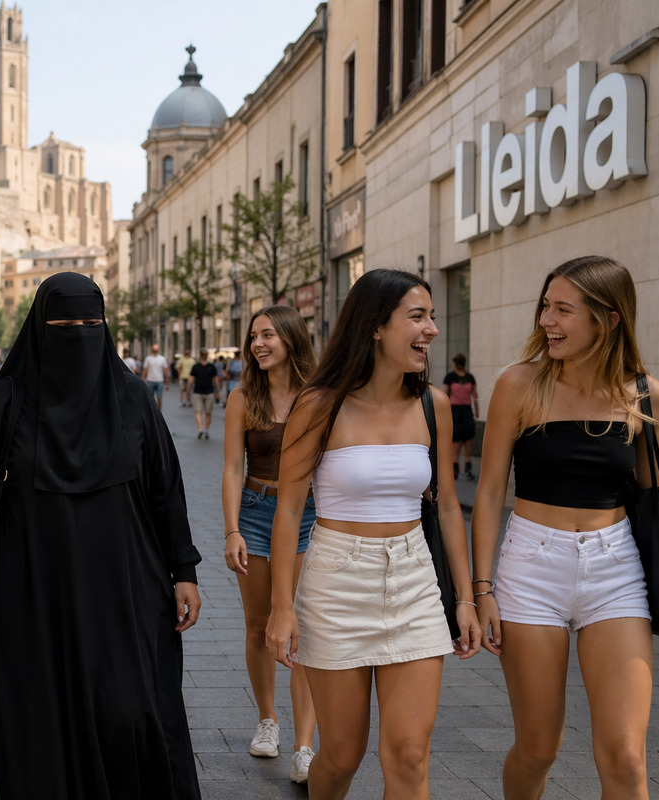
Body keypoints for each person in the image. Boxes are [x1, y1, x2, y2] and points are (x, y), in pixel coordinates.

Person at [0, 272, 203, 798]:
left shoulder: (129, 396)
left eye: (90, 324)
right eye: (64, 325)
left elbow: (166, 489)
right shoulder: (8, 401)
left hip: (125, 583)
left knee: (132, 708)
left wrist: (184, 571)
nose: (79, 335)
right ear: (41, 328)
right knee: (41, 713)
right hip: (31, 585)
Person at [266, 268, 480, 799]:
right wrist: (281, 607)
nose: (431, 329)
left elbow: (449, 507)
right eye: (417, 316)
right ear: (375, 327)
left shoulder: (433, 405)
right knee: (340, 757)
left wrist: (469, 598)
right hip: (337, 582)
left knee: (409, 755)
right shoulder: (318, 406)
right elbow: (289, 511)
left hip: (413, 578)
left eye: (432, 316)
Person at [472, 256, 659, 800]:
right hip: (532, 566)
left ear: (608, 320)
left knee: (627, 759)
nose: (546, 321)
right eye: (544, 306)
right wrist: (481, 589)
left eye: (562, 310)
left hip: (616, 568)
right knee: (538, 748)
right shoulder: (519, 384)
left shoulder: (646, 395)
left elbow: (657, 500)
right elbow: (488, 494)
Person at [222, 307, 319, 779]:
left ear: (291, 339)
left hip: (309, 517)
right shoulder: (243, 398)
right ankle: (267, 720)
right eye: (254, 337)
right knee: (260, 622)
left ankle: (305, 745)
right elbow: (230, 469)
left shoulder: (320, 396)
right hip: (257, 514)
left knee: (303, 627)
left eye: (268, 335)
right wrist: (232, 530)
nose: (259, 344)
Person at [443, 353, 479, 480]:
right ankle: (456, 465)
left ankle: (466, 464)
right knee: (456, 439)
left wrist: (477, 412)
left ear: (456, 363)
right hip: (454, 410)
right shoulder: (450, 377)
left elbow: (475, 396)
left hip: (466, 410)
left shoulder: (470, 377)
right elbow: (444, 396)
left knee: (468, 437)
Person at [189, 348, 219, 439]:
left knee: (204, 412)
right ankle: (202, 430)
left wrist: (217, 391)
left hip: (207, 392)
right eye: (203, 354)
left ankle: (203, 429)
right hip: (200, 392)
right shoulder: (197, 366)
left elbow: (215, 379)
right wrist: (187, 391)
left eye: (204, 354)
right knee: (201, 412)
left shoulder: (210, 367)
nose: (204, 356)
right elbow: (191, 380)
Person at [142, 343, 170, 409]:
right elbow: (145, 370)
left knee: (159, 398)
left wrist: (167, 383)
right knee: (150, 398)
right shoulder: (148, 358)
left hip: (160, 381)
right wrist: (143, 379)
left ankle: (159, 413)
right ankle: (151, 411)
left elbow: (165, 372)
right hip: (150, 380)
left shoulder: (162, 359)